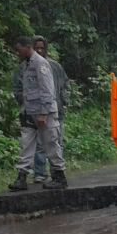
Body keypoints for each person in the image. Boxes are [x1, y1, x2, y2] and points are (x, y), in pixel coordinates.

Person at [8, 36, 67, 191]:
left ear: (27, 47)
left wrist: (44, 112)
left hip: (44, 113)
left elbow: (48, 90)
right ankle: (21, 177)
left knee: (51, 144)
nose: (17, 53)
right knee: (26, 145)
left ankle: (59, 175)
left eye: (19, 49)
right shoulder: (25, 66)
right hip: (29, 112)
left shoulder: (41, 64)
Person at [32, 36, 70, 182]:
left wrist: (64, 100)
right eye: (37, 48)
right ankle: (40, 173)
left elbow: (65, 84)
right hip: (38, 110)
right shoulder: (29, 66)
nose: (40, 51)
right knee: (40, 143)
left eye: (42, 48)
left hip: (57, 109)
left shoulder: (55, 66)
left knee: (57, 141)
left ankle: (57, 172)